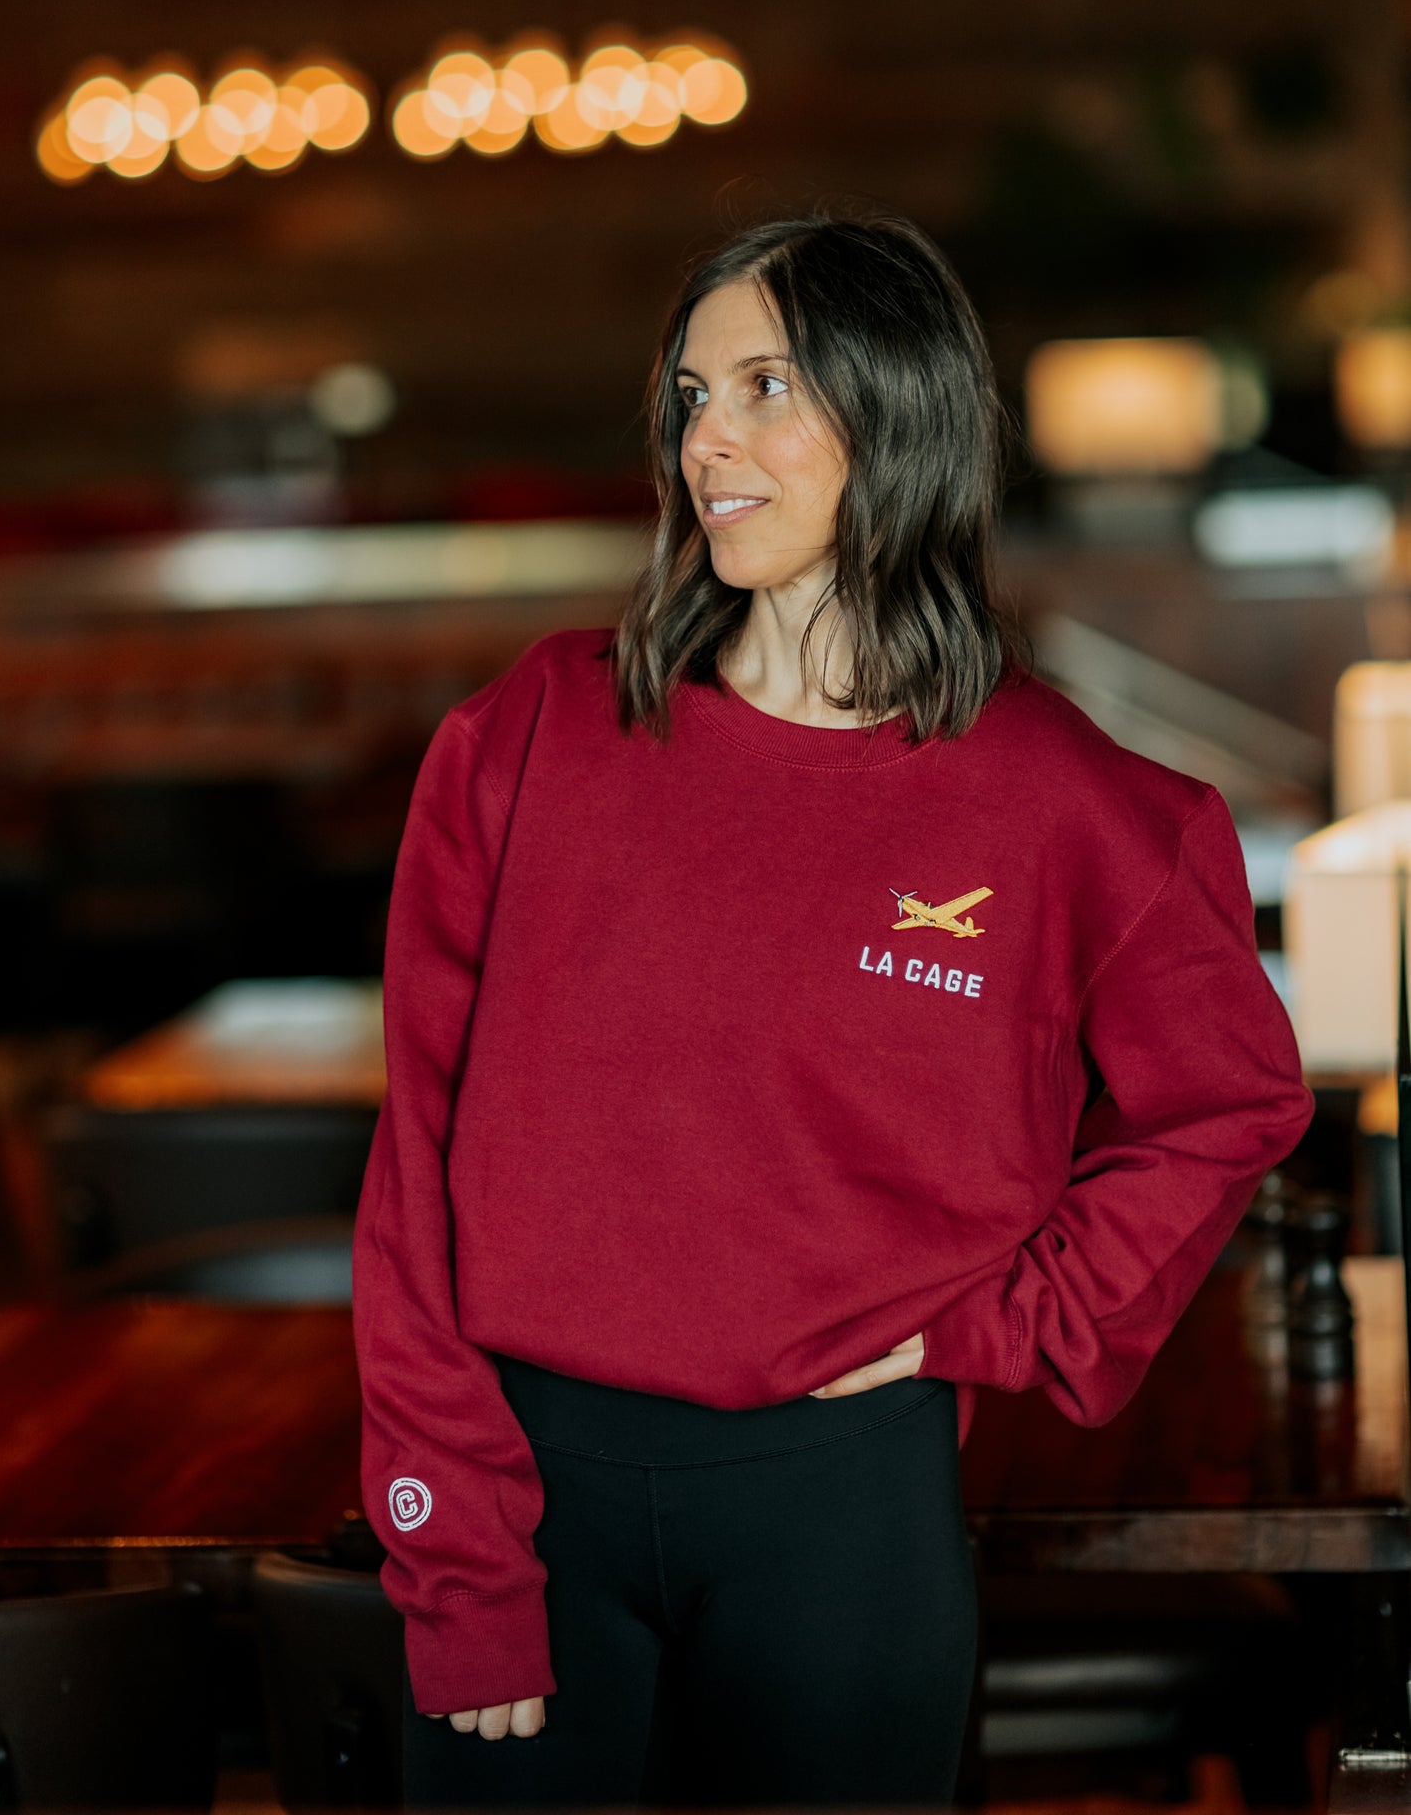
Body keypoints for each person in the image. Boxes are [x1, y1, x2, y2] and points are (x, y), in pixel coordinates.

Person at [352, 211, 1313, 1809]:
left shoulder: (1074, 808)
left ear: (900, 417)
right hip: (529, 1497)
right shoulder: (525, 740)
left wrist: (1000, 1319)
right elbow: (415, 1175)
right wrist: (458, 1558)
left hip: (839, 1509)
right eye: (687, 395)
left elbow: (1227, 1106)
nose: (704, 440)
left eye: (763, 388)